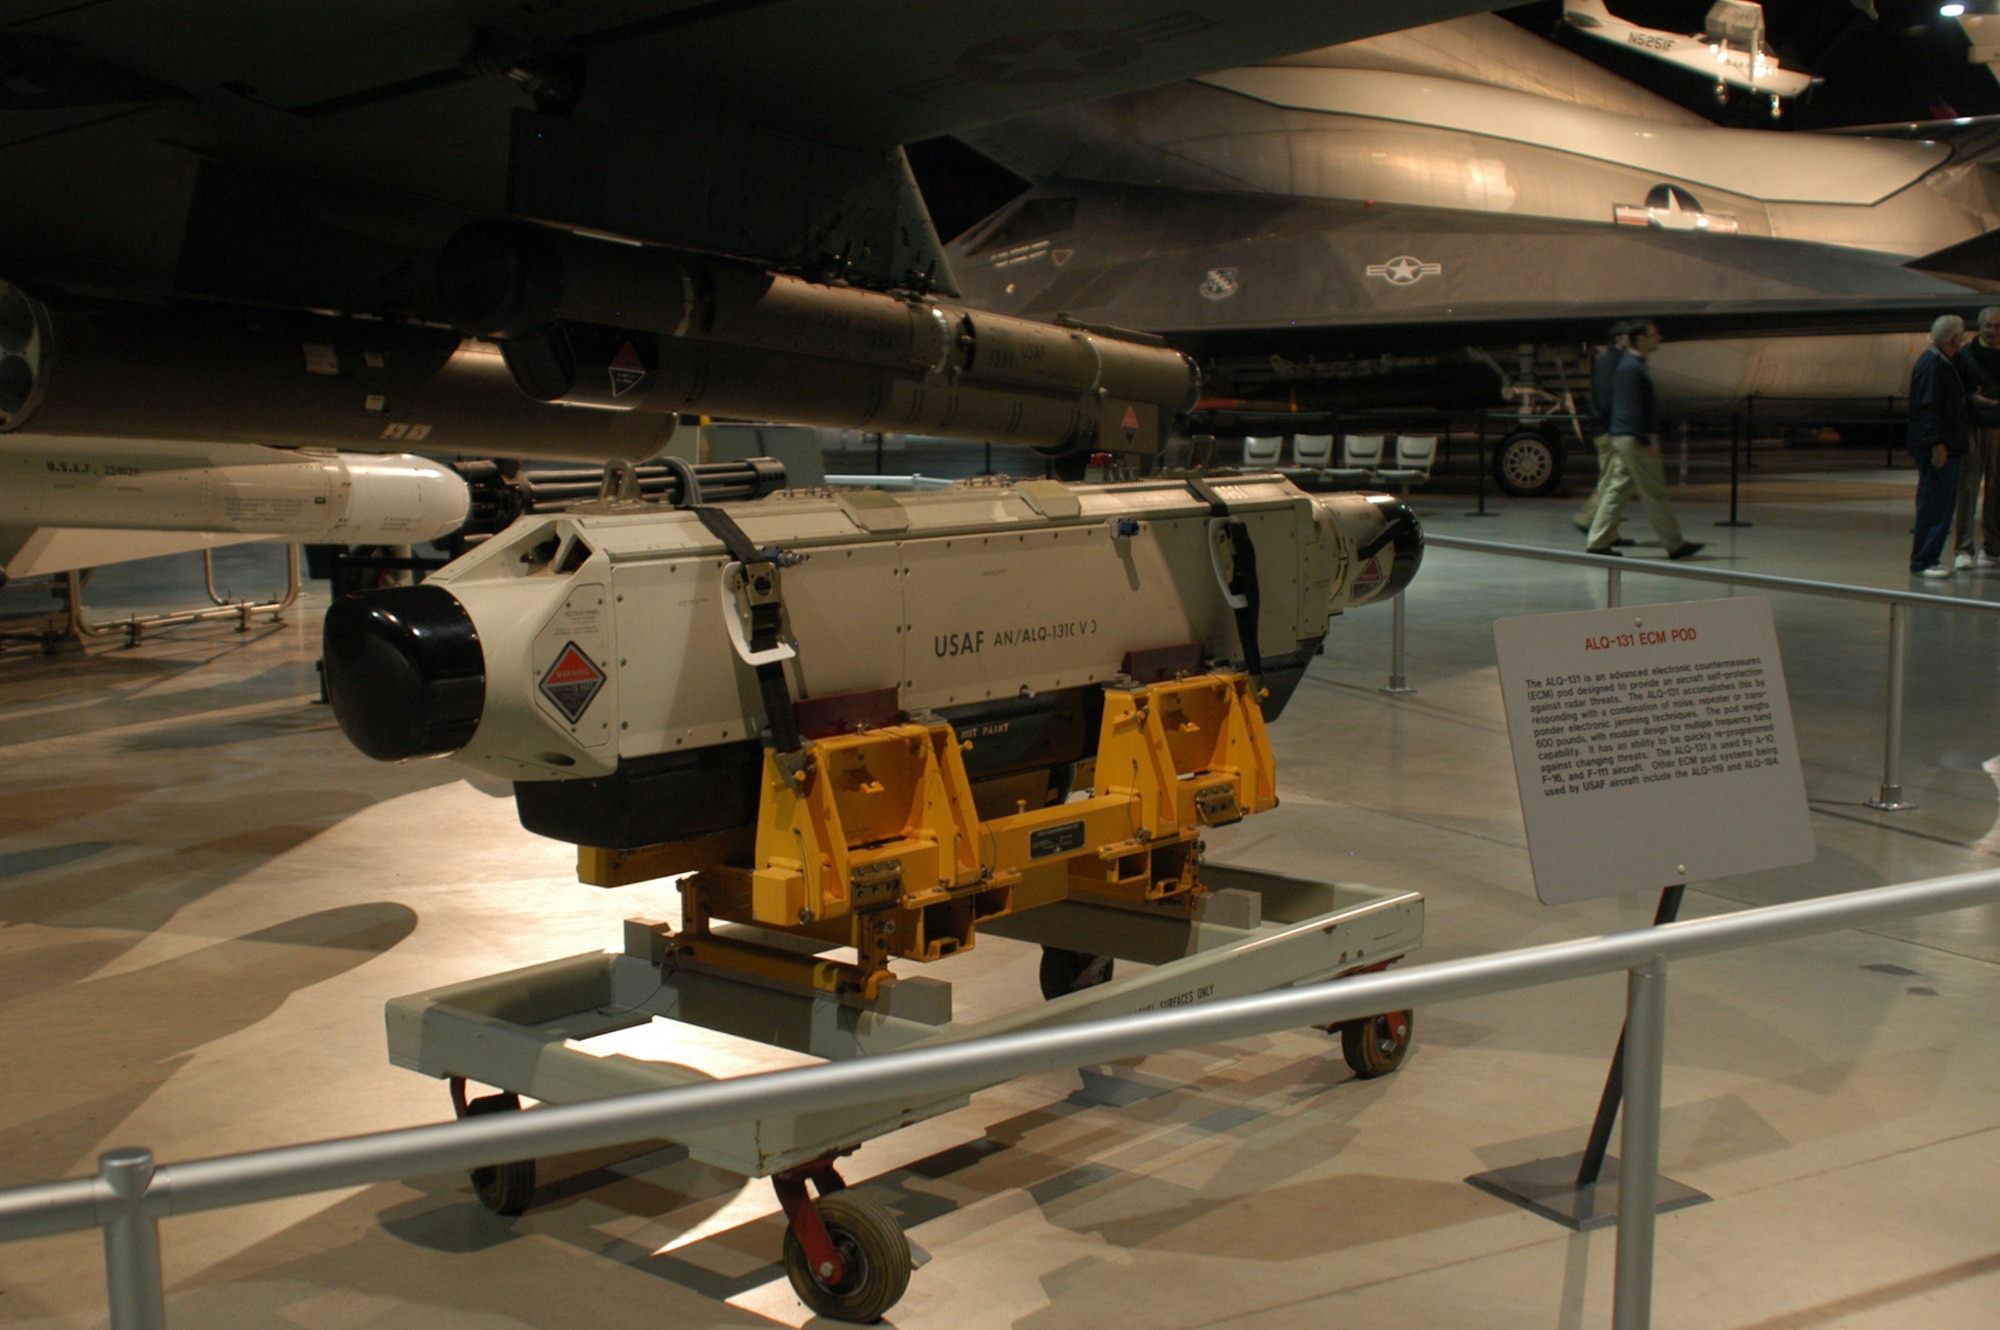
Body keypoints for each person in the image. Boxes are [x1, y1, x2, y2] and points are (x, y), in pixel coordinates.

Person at [1585, 319, 1703, 560]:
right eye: (1653, 334)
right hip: (1634, 438)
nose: (1658, 338)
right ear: (1640, 339)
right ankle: (1674, 544)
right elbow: (1632, 408)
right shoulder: (1632, 367)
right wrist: (1645, 440)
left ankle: (1597, 541)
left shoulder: (1628, 364)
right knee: (1654, 492)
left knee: (1616, 490)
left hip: (1623, 436)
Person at [1908, 312, 1971, 578]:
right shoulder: (1934, 366)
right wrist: (1936, 443)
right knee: (1936, 502)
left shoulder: (1941, 363)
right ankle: (1924, 559)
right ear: (1954, 337)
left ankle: (1928, 556)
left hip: (1947, 445)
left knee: (1940, 502)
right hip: (1939, 448)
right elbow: (1927, 409)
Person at [1572, 321, 1634, 546]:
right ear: (1619, 339)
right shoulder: (1611, 362)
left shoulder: (1613, 361)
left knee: (1613, 481)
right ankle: (1588, 519)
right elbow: (1607, 399)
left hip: (1608, 428)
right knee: (1611, 482)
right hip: (1609, 431)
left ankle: (1610, 530)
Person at [1951, 304, 2000, 570]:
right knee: (1968, 488)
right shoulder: (1966, 355)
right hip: (1975, 428)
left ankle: (1992, 547)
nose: (1994, 332)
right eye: (1989, 326)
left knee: (1997, 490)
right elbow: (1957, 392)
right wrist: (1973, 400)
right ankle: (1964, 548)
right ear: (1980, 328)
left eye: (1998, 326)